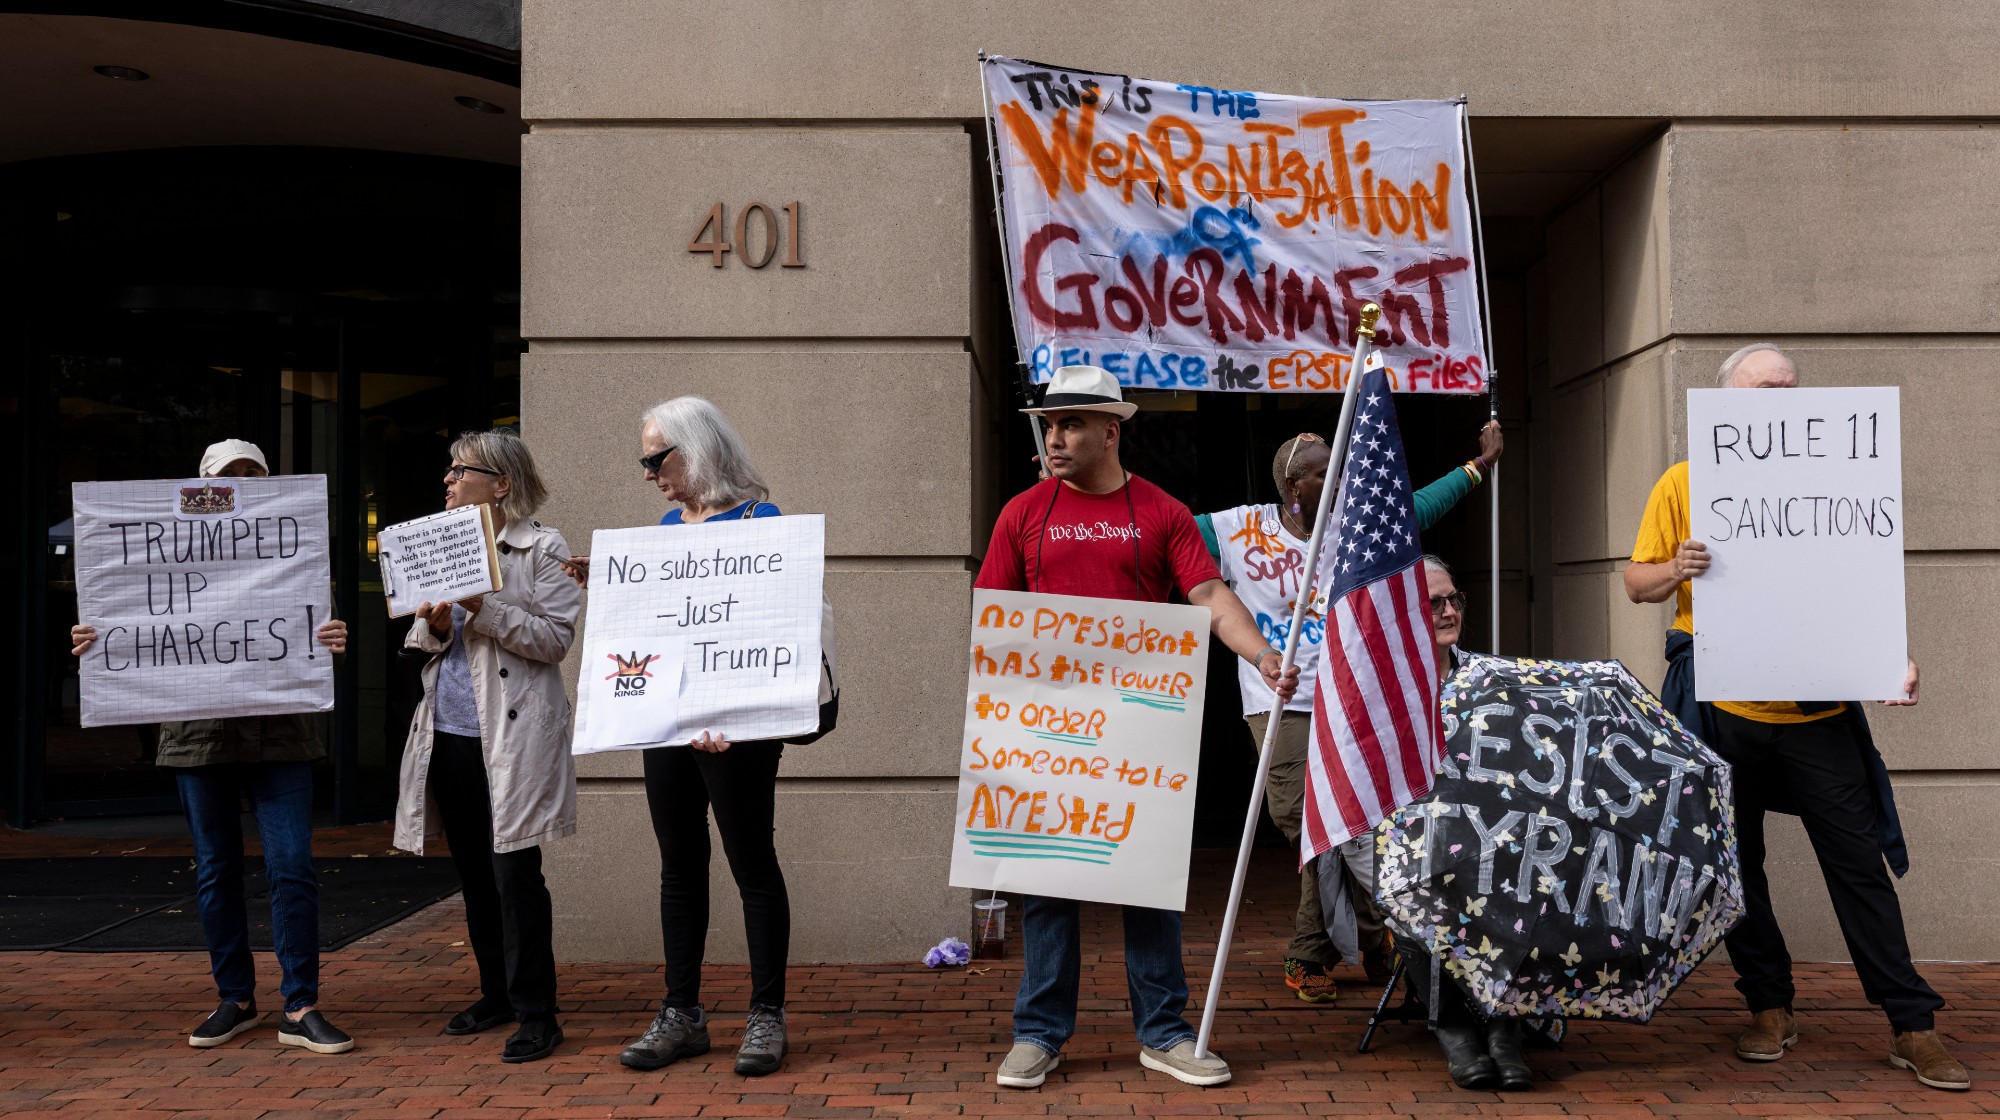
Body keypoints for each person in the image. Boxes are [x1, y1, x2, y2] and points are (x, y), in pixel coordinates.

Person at [1622, 343, 1967, 1091]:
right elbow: (1635, 582)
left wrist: (1891, 664)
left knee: (1857, 865)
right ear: (1725, 407)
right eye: (1761, 391)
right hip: (1720, 708)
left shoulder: (1839, 479)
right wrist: (1674, 570)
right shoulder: (1685, 483)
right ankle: (1768, 1006)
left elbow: (1860, 589)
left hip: (1817, 714)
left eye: (1789, 388)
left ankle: (1912, 1024)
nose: (1779, 401)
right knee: (1738, 868)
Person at [978, 365, 1300, 1091]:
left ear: (1110, 432)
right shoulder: (1023, 512)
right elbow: (992, 616)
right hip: (1049, 725)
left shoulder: (1162, 512)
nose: (1054, 437)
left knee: (1148, 883)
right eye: (1050, 425)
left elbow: (1210, 593)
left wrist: (1261, 653)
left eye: (1070, 425)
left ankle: (1163, 1033)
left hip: (1138, 725)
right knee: (1047, 882)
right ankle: (1039, 1032)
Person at [1195, 421, 1503, 1003]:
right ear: (1293, 483)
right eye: (1322, 472)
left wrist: (1479, 465)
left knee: (1346, 824)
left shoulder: (1355, 524)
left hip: (1353, 694)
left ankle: (1311, 951)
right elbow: (1160, 534)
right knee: (1304, 820)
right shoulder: (1237, 528)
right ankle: (1374, 934)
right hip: (1278, 699)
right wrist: (1084, 494)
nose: (1336, 480)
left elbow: (1419, 507)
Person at [70, 439, 354, 1055]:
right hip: (198, 737)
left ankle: (300, 1004)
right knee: (218, 870)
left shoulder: (294, 551)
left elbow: (312, 631)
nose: (242, 485)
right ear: (200, 487)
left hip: (280, 736)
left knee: (292, 867)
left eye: (253, 475)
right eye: (229, 477)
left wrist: (333, 634)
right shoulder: (164, 550)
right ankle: (237, 997)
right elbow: (130, 613)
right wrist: (100, 639)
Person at [584, 397, 797, 1078]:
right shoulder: (664, 530)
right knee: (679, 863)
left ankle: (766, 1015)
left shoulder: (761, 522)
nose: (648, 472)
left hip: (738, 733)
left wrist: (729, 717)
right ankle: (683, 1012)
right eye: (645, 459)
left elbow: (771, 632)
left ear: (696, 449)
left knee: (750, 862)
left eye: (657, 456)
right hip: (670, 725)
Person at [395, 429, 579, 1064]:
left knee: (514, 874)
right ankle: (496, 993)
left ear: (501, 484)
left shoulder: (541, 546)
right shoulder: (435, 541)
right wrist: (438, 621)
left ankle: (538, 1013)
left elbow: (556, 639)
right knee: (474, 874)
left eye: (460, 470)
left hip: (512, 735)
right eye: (447, 469)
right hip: (448, 733)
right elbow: (422, 637)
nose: (447, 479)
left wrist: (484, 606)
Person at [1395, 554, 1531, 1091]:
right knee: (1418, 883)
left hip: (1486, 837)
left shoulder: (1489, 678)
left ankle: (1503, 1027)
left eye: (1455, 599)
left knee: (1522, 875)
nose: (1449, 610)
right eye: (1434, 603)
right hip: (1410, 838)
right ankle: (1454, 1027)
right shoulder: (1390, 683)